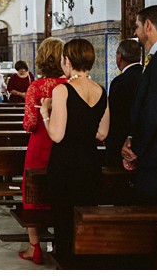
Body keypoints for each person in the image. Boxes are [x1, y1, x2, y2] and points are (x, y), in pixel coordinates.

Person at [42, 38, 109, 265]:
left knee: (64, 220)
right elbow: (102, 133)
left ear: (67, 61)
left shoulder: (63, 90)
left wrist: (44, 113)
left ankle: (67, 264)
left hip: (65, 164)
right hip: (90, 162)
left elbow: (57, 135)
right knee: (85, 220)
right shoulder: (101, 89)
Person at [17, 37, 66, 263]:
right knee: (61, 189)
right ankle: (60, 242)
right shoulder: (70, 84)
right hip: (63, 144)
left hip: (40, 143)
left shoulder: (36, 86)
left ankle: (34, 247)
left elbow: (29, 124)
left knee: (34, 191)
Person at [124, 4, 157, 203]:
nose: (135, 32)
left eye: (137, 26)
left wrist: (136, 149)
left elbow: (155, 111)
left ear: (148, 25)